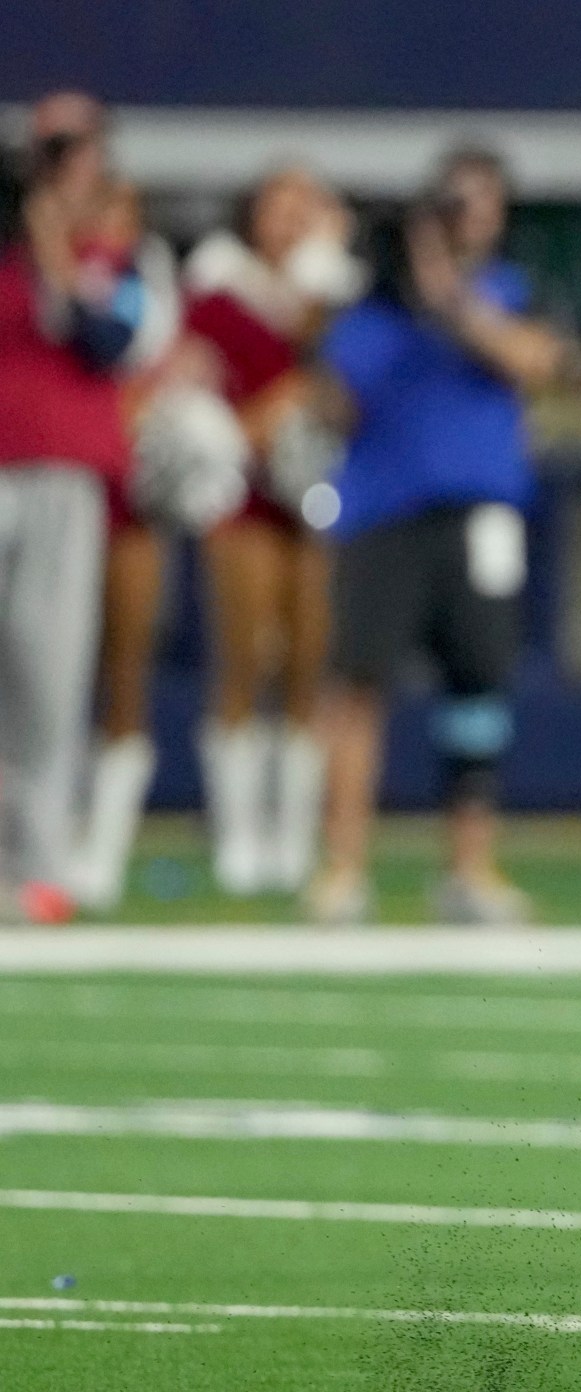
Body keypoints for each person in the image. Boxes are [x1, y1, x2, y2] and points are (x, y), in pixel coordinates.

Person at [70, 165, 363, 907]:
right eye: (280, 206)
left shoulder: (330, 292)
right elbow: (194, 380)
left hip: (310, 489)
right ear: (251, 214)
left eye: (308, 206)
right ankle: (236, 835)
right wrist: (264, 416)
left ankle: (290, 840)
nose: (294, 220)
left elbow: (336, 377)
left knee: (305, 656)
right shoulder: (214, 288)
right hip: (238, 491)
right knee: (244, 653)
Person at [308, 145, 567, 924]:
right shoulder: (376, 307)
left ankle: (468, 867)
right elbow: (333, 400)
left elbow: (534, 361)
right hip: (386, 518)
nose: (468, 218)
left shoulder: (512, 289)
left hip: (479, 519)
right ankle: (343, 869)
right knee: (357, 687)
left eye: (481, 201)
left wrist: (450, 300)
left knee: (478, 693)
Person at [0, 92, 177, 923]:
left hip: (62, 477)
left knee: (49, 674)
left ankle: (36, 865)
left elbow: (108, 343)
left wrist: (53, 251)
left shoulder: (123, 258)